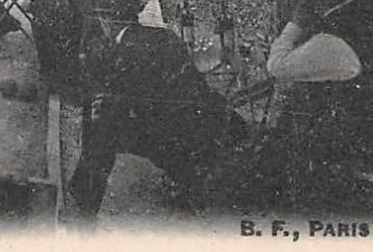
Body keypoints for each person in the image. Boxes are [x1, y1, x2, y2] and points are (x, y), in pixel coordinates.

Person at [67, 21, 250, 217]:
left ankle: (83, 200)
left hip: (181, 129)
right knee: (108, 120)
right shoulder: (161, 36)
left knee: (106, 124)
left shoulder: (130, 48)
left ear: (106, 21)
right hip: (207, 117)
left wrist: (110, 102)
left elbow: (141, 97)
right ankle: (82, 195)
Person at [23, 0, 148, 98]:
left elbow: (59, 8)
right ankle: (61, 79)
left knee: (43, 18)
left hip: (107, 5)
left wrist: (32, 4)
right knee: (57, 16)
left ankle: (58, 83)